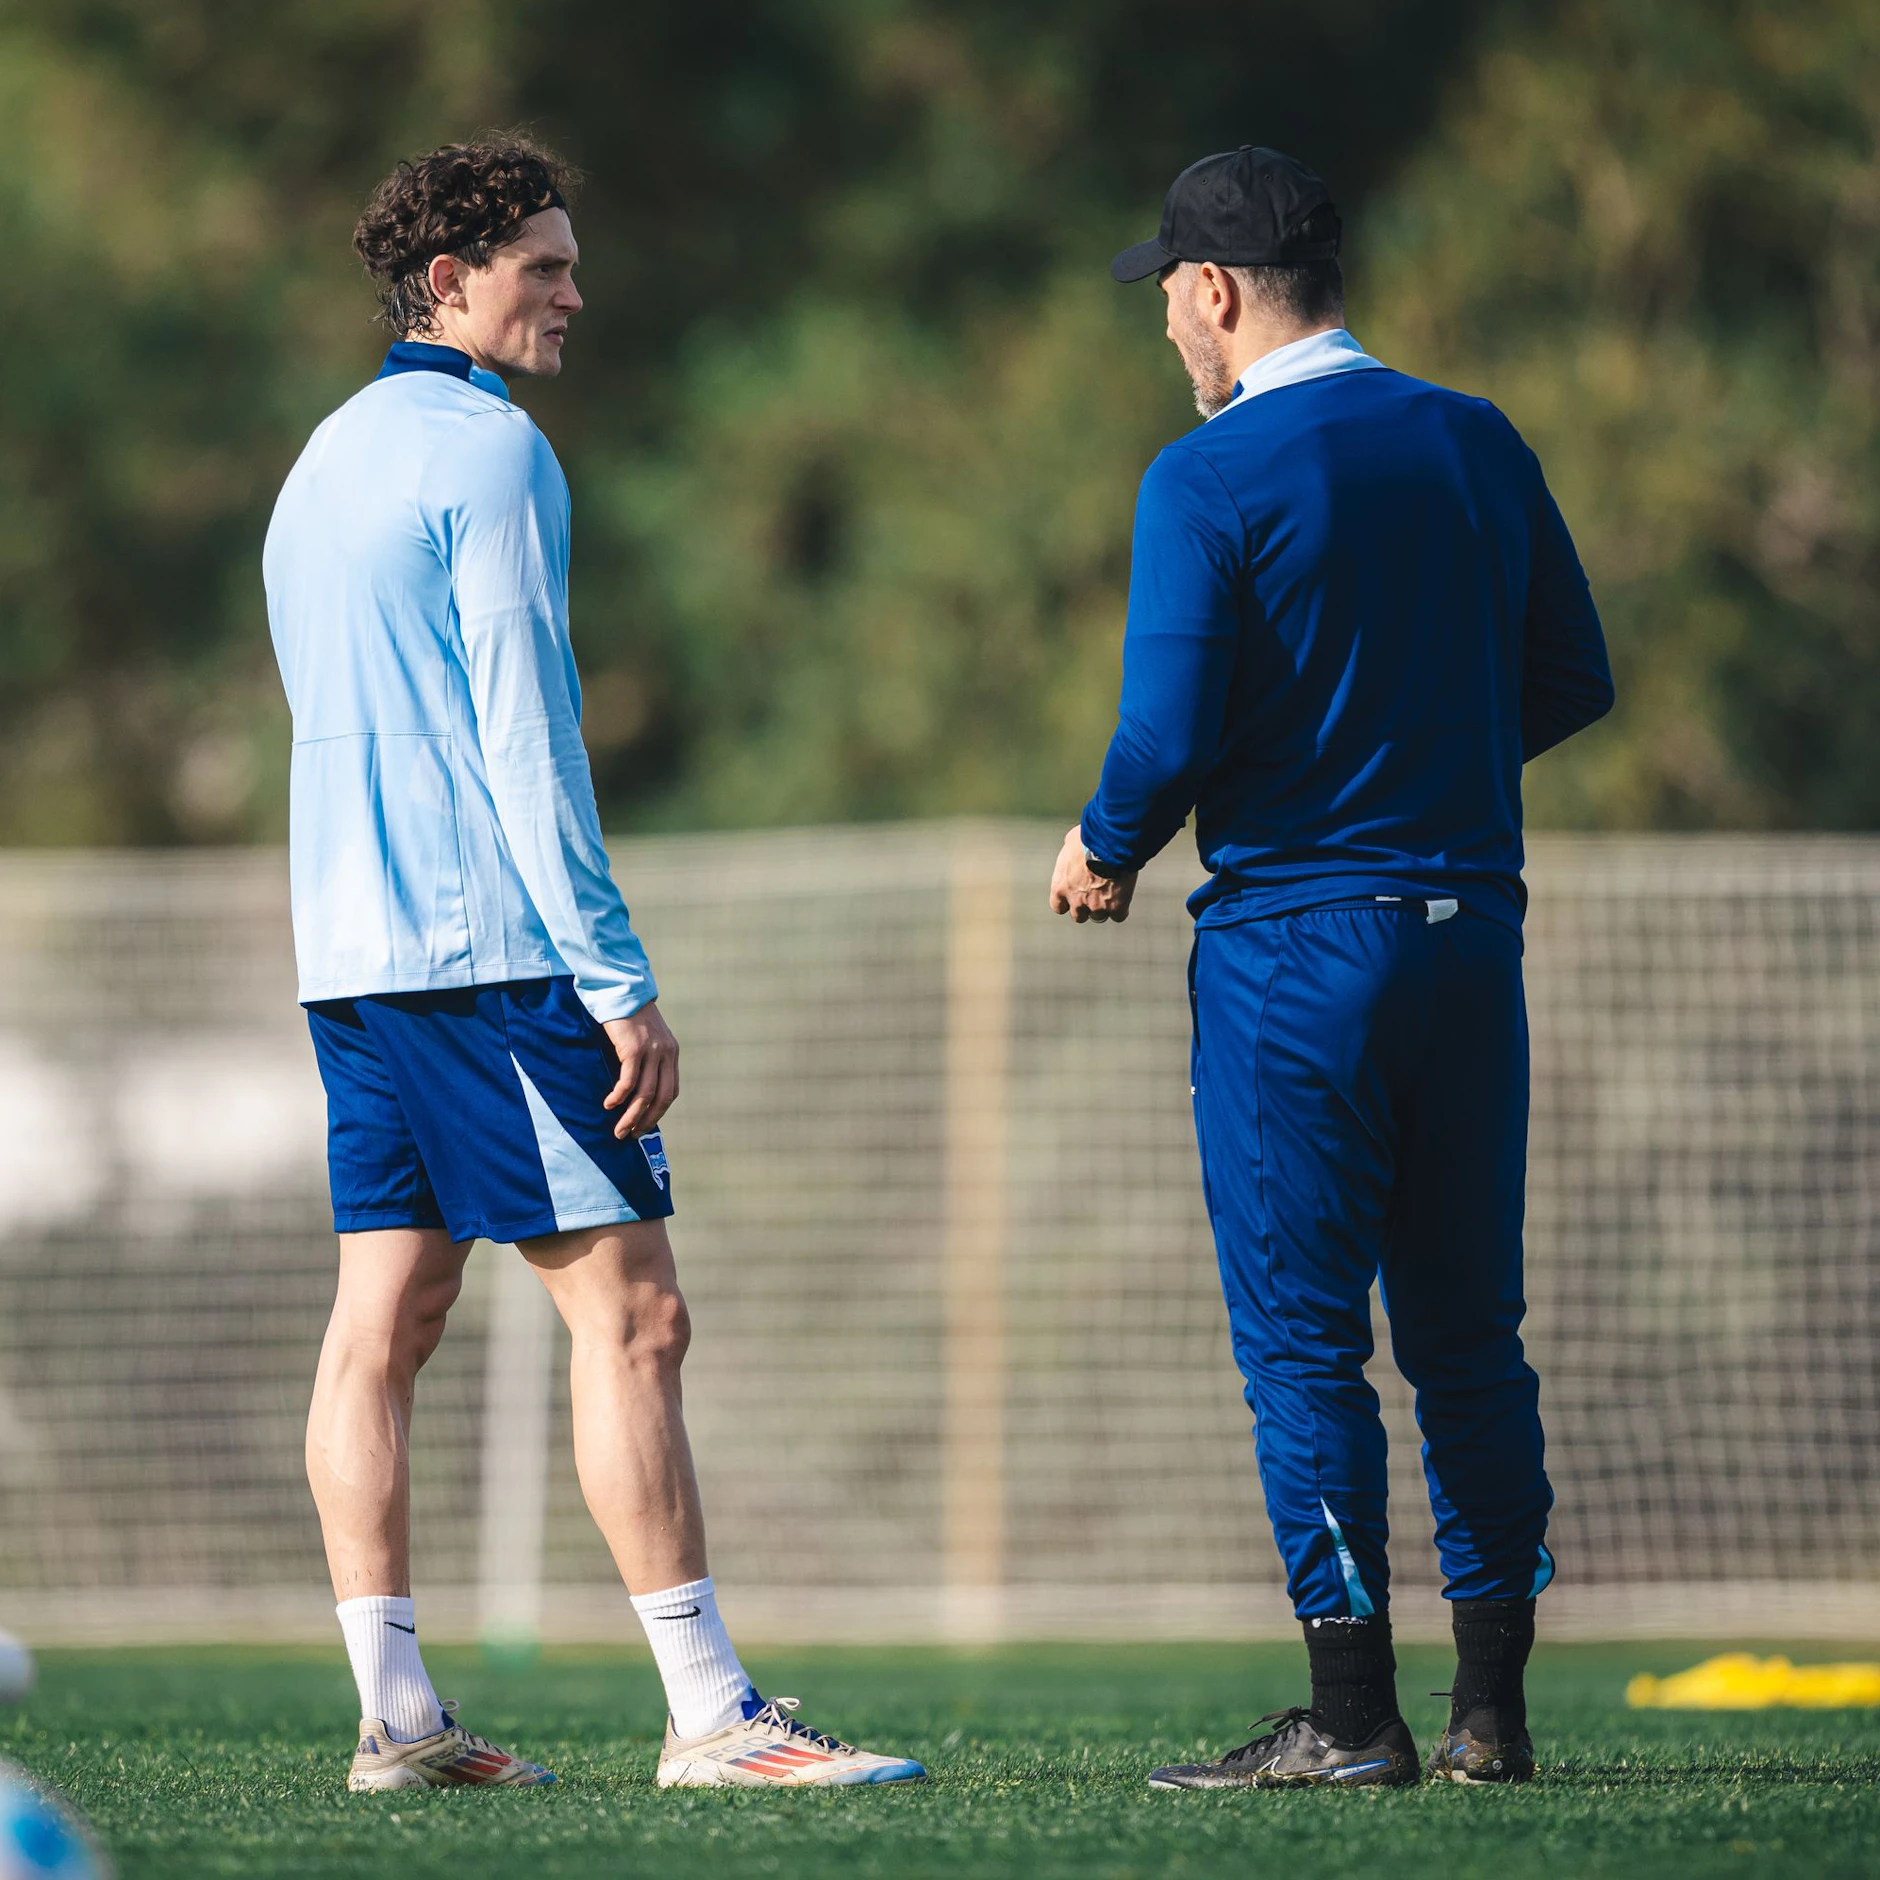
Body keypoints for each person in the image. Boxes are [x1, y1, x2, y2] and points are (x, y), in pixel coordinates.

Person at [263, 137, 923, 1794]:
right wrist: (615, 975)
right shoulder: (491, 453)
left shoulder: (321, 462)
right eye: (542, 267)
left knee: (381, 1326)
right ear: (448, 285)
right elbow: (525, 740)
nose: (573, 291)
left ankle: (397, 1723)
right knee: (635, 1318)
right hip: (492, 962)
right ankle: (712, 1717)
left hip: (348, 958)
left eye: (568, 261)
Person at [1050, 146, 1612, 1790]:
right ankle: (1493, 1714)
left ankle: (1353, 1717)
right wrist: (1424, 757)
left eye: (1170, 292)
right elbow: (1570, 676)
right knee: (1470, 1340)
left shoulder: (1205, 475)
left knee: (1304, 1348)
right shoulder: (1476, 439)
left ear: (1216, 291)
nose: (1168, 325)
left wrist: (1106, 843)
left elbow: (1161, 735)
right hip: (1468, 941)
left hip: (1299, 950)